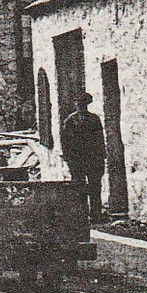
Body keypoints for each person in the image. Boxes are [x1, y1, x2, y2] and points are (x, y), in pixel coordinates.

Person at [61, 92, 107, 223]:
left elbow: (99, 138)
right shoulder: (70, 120)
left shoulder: (94, 119)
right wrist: (68, 157)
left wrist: (102, 155)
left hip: (93, 158)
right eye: (78, 104)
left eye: (83, 104)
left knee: (95, 186)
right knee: (79, 186)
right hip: (77, 159)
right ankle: (81, 213)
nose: (80, 106)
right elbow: (65, 140)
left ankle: (96, 214)